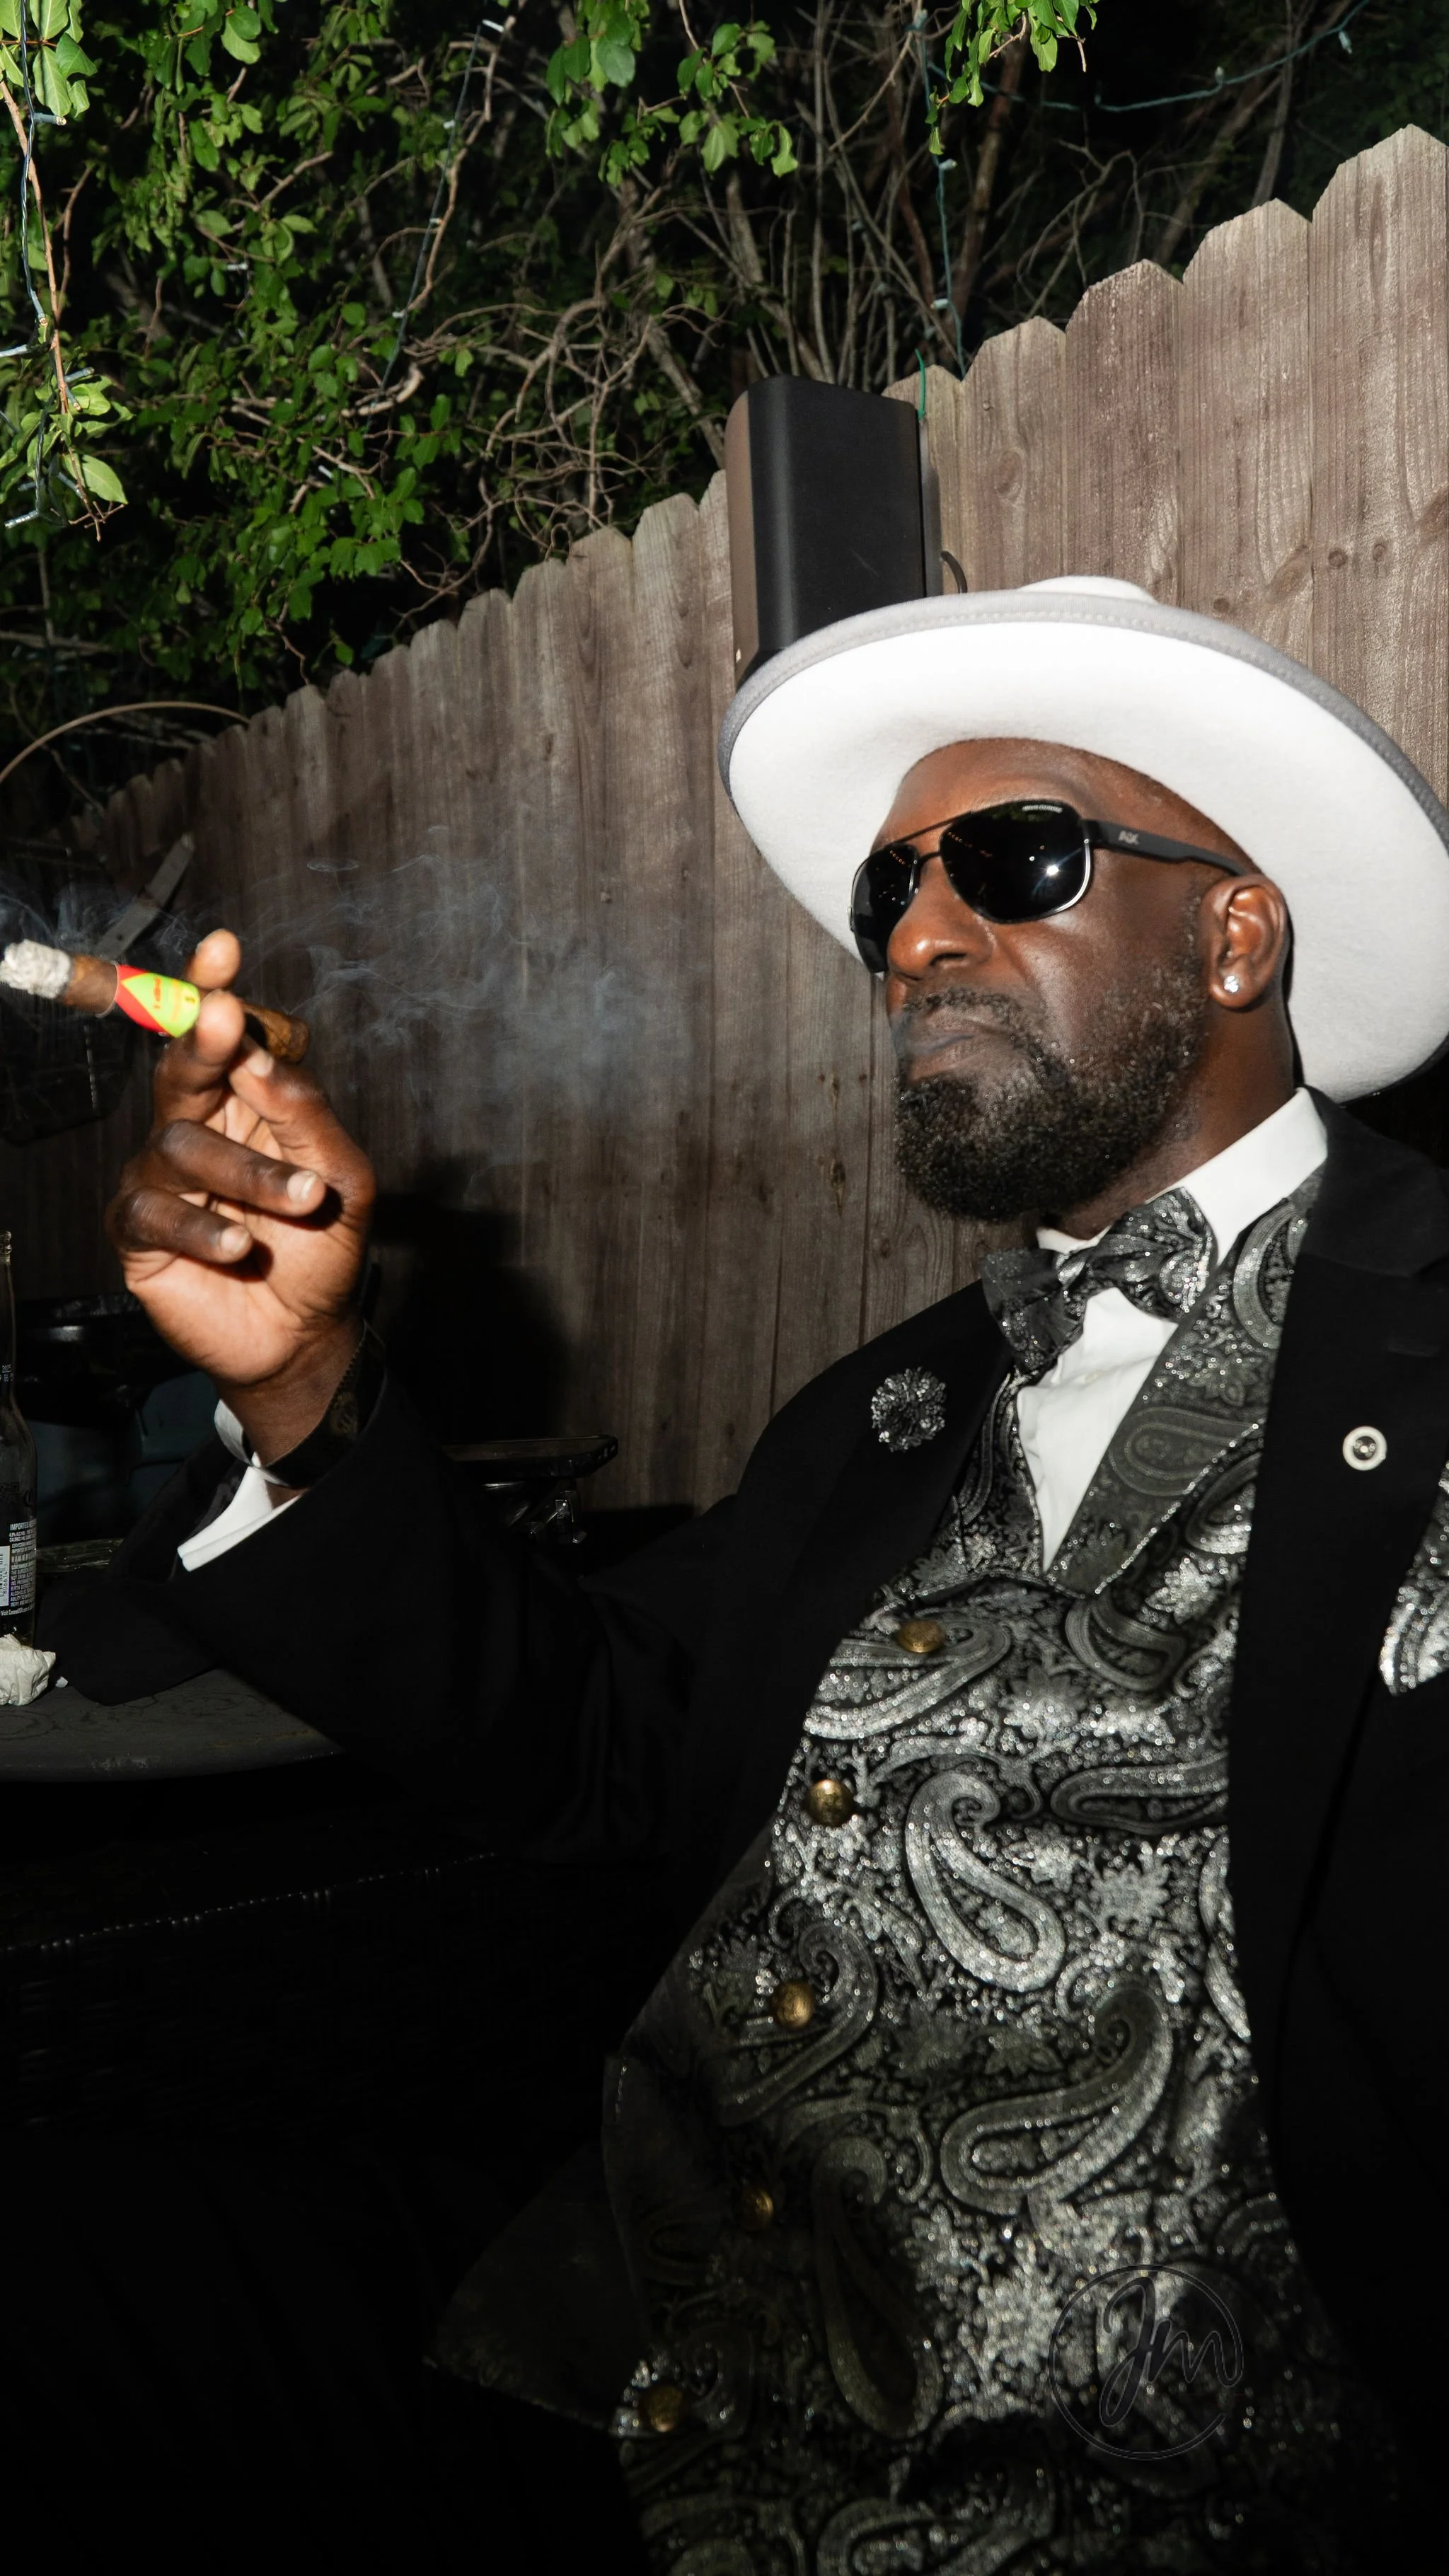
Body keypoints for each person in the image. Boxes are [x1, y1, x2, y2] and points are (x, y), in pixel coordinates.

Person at [40, 574, 1449, 2570]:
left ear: (1235, 935)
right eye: (891, 898)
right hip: (631, 2367)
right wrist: (312, 1385)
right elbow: (598, 1744)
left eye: (1013, 859)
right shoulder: (886, 1415)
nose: (921, 937)